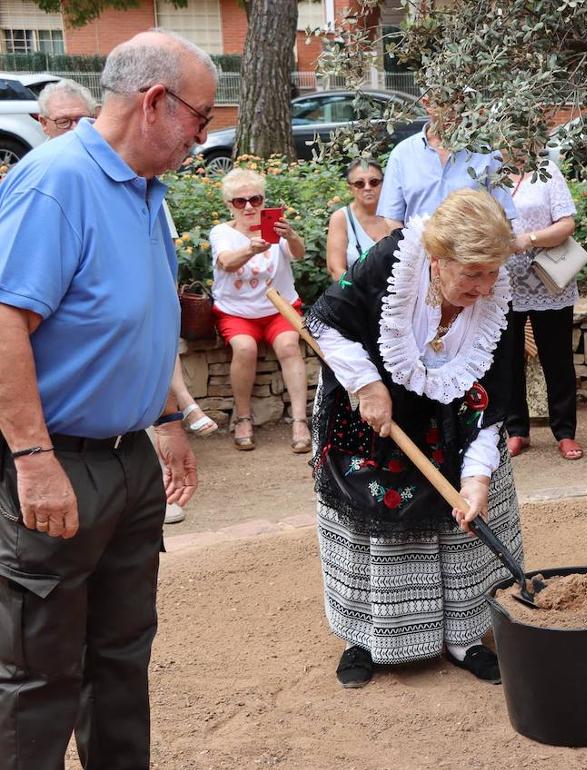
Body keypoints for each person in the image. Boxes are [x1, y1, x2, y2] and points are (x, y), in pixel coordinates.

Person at [0, 30, 213, 768]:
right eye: (201, 119)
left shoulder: (146, 190)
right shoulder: (57, 181)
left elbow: (142, 316)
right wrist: (31, 459)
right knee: (38, 675)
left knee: (121, 661)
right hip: (60, 463)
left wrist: (166, 416)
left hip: (127, 464)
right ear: (155, 102)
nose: (202, 137)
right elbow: (3, 322)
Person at [305, 189, 521, 688]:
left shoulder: (496, 297)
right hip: (369, 412)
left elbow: (494, 397)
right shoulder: (391, 262)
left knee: (468, 518)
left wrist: (477, 478)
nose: (486, 286)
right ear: (439, 260)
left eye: (492, 272)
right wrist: (367, 383)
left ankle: (465, 636)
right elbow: (325, 323)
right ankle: (361, 636)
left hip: (453, 420)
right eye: (473, 274)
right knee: (368, 529)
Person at [209, 168, 310, 453]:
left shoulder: (274, 228)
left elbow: (299, 254)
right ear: (230, 205)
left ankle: (300, 421)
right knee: (244, 348)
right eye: (241, 201)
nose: (250, 206)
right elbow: (227, 262)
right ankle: (242, 418)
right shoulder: (223, 233)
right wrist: (251, 250)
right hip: (237, 311)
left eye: (255, 199)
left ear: (264, 201)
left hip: (279, 306)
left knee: (289, 346)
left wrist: (291, 236)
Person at [502, 154, 582, 460]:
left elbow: (567, 223)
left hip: (548, 279)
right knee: (507, 358)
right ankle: (516, 430)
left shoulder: (547, 171)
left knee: (557, 357)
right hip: (502, 282)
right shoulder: (488, 173)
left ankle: (565, 432)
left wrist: (529, 239)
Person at [377, 94, 517, 224]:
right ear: (427, 105)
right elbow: (392, 217)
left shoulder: (487, 153)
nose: (454, 112)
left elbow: (504, 215)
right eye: (446, 104)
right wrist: (411, 247)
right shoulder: (403, 154)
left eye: (460, 104)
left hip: (471, 248)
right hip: (418, 247)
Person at [326, 158, 401, 283]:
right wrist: (359, 292)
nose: (367, 188)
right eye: (359, 183)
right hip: (357, 296)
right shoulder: (341, 218)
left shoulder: (396, 215)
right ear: (350, 188)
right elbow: (335, 269)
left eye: (374, 182)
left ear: (384, 184)